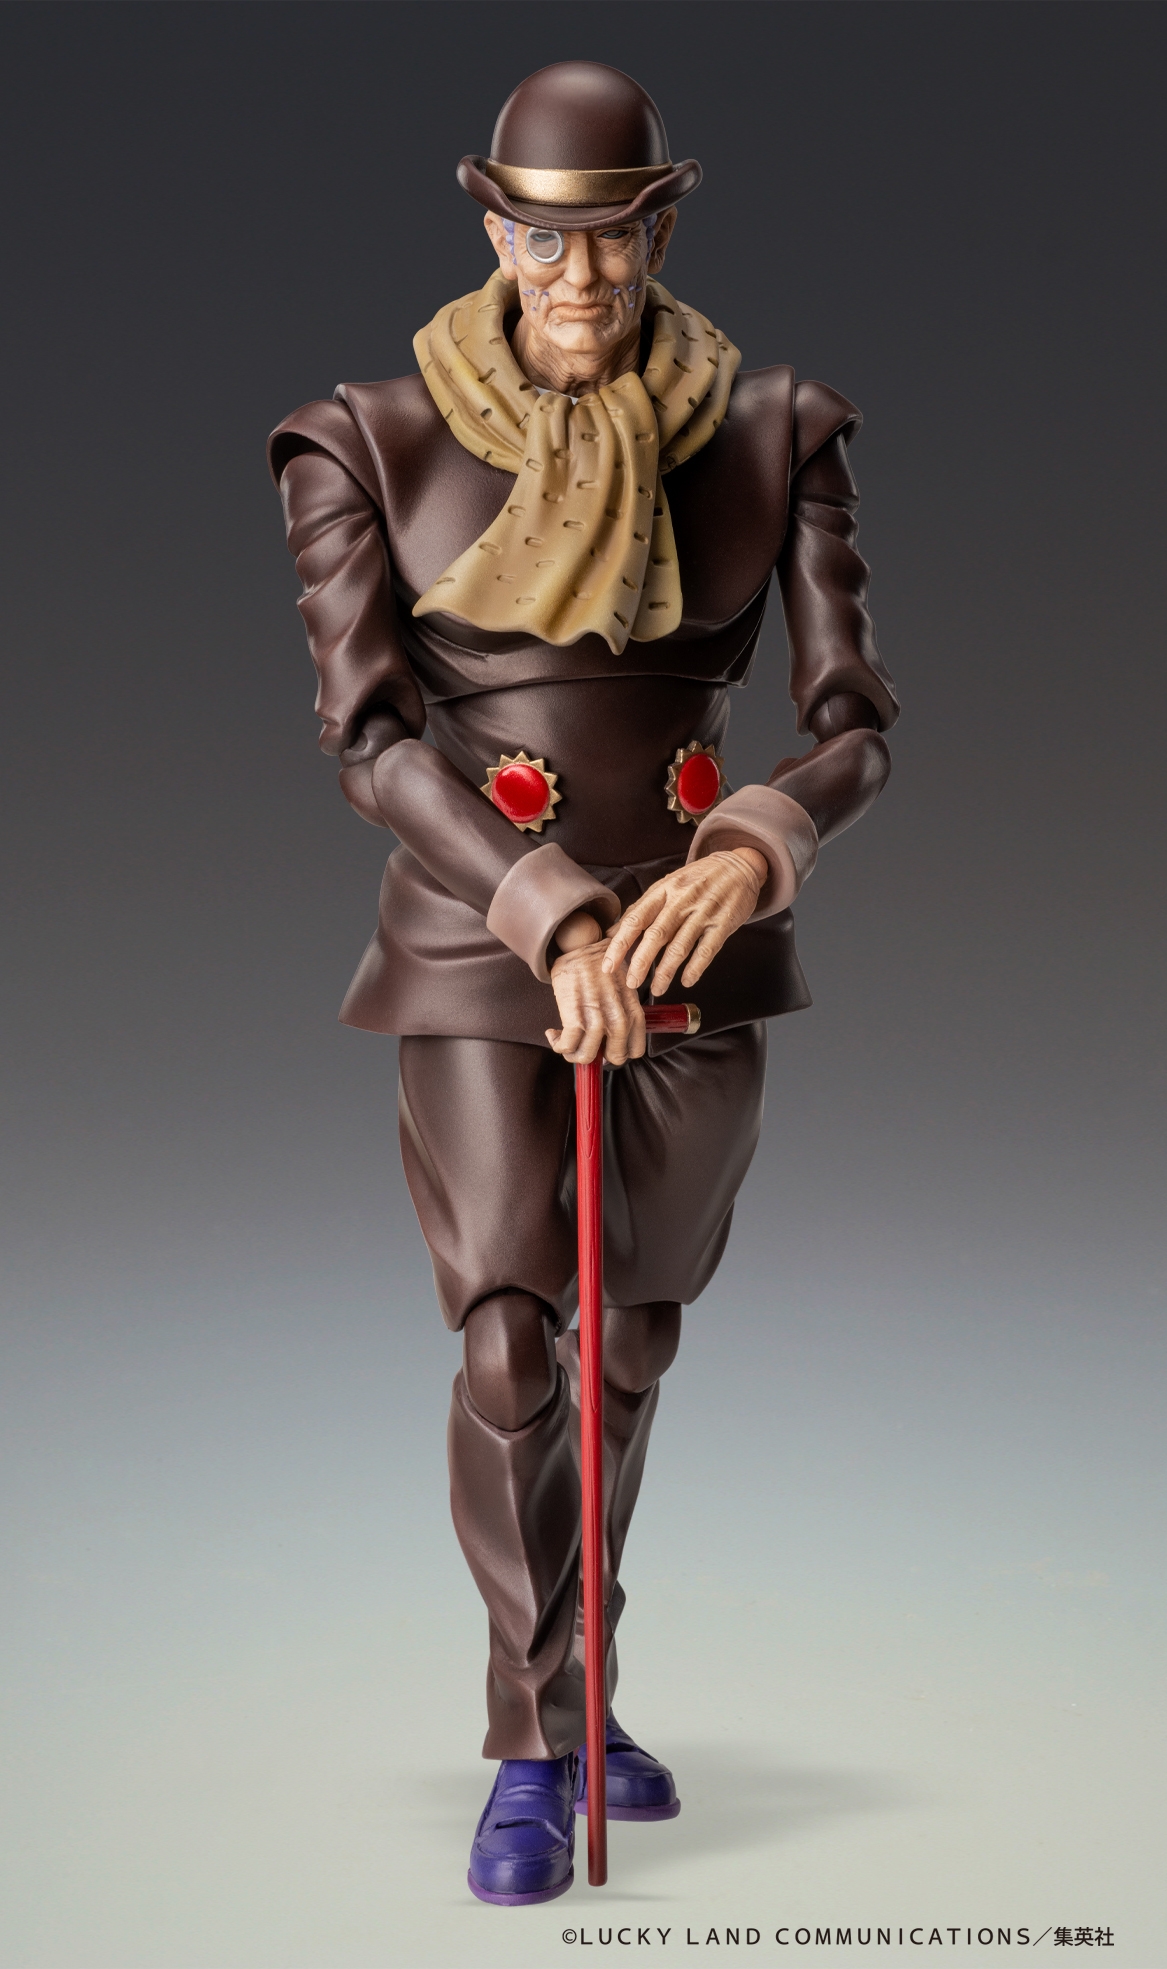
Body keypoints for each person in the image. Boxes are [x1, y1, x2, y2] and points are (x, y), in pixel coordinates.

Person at [268, 60, 898, 1907]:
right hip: (484, 942)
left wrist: (760, 840)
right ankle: (533, 1739)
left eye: (613, 236)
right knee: (505, 1331)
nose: (580, 274)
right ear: (492, 228)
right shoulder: (365, 437)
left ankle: (586, 1681)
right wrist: (546, 913)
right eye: (545, 238)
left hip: (698, 939)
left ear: (662, 230)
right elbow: (372, 740)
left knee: (629, 1343)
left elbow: (856, 720)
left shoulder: (775, 428)